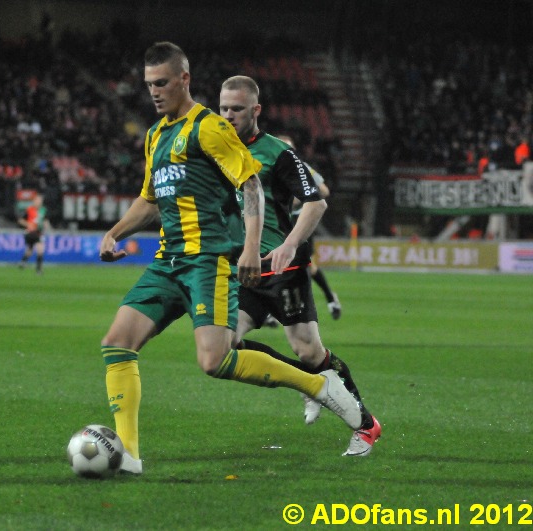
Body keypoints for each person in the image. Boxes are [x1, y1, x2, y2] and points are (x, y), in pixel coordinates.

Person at [99, 42, 363, 475]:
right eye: (149, 84)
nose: (154, 92)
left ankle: (317, 384)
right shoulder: (155, 135)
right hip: (168, 260)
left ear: (184, 79)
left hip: (207, 260)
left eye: (161, 82)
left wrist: (250, 248)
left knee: (215, 361)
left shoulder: (209, 127)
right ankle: (128, 455)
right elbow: (150, 199)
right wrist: (114, 232)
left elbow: (252, 185)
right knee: (116, 343)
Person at [218, 75, 380, 456]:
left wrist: (291, 244)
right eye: (223, 108)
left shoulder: (277, 152)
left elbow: (317, 201)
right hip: (245, 270)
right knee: (227, 344)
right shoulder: (215, 150)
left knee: (309, 352)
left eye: (237, 109)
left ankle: (366, 424)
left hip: (283, 269)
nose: (228, 116)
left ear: (255, 110)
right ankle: (309, 384)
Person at [276, 134, 342, 320]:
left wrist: (301, 199)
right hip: (278, 222)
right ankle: (271, 310)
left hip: (300, 222)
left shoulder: (302, 168)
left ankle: (329, 298)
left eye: (288, 148)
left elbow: (324, 190)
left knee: (304, 264)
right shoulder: (269, 166)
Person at [17, 194, 49, 274]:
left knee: (33, 250)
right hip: (30, 232)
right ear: (34, 201)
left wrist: (47, 227)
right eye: (38, 200)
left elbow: (45, 221)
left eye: (40, 201)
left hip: (39, 232)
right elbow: (20, 220)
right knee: (38, 249)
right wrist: (29, 224)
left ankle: (23, 262)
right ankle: (38, 269)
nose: (39, 202)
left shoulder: (43, 210)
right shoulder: (29, 210)